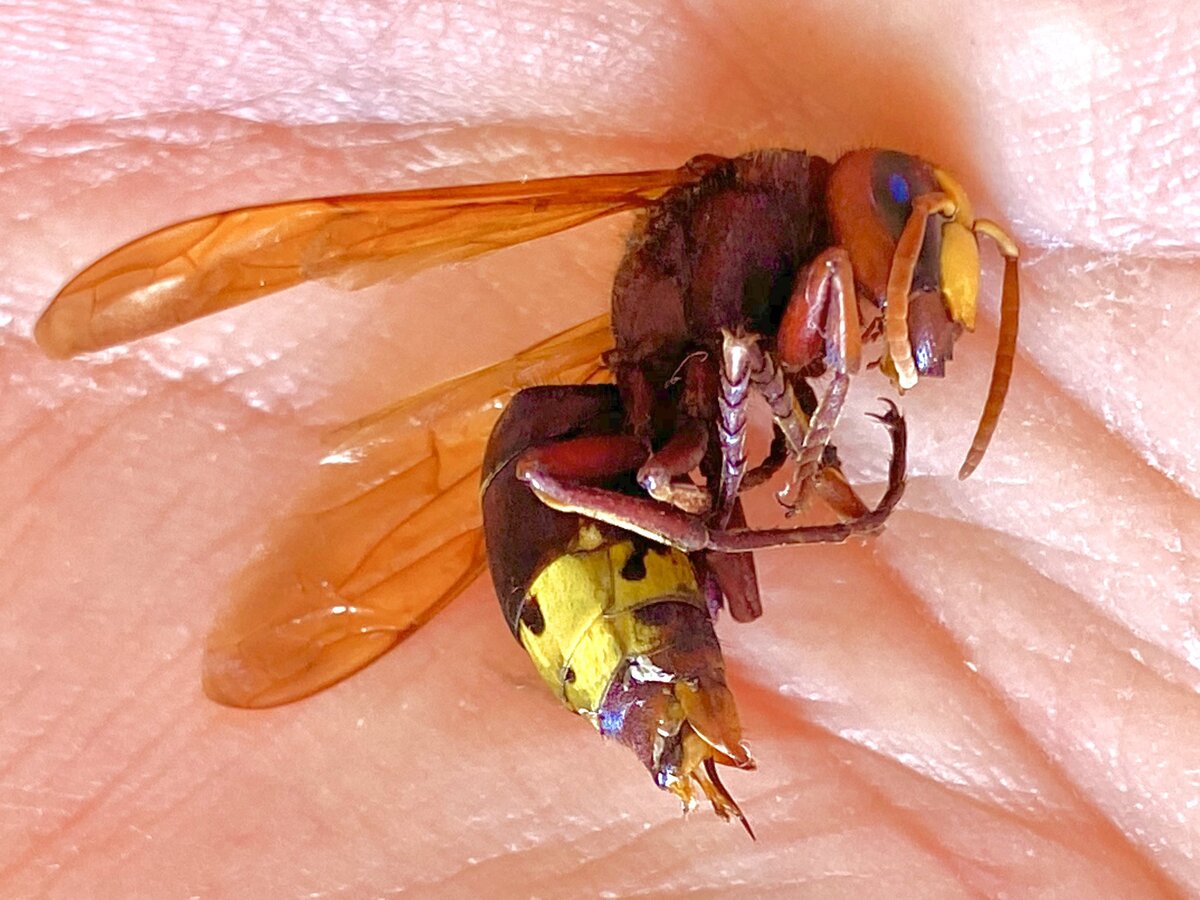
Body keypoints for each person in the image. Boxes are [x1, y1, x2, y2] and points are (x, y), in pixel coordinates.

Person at [3, 1, 1197, 895]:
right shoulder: (765, 276)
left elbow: (770, 374)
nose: (914, 288)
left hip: (639, 492)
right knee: (572, 459)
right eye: (905, 220)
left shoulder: (771, 327)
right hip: (580, 512)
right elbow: (754, 364)